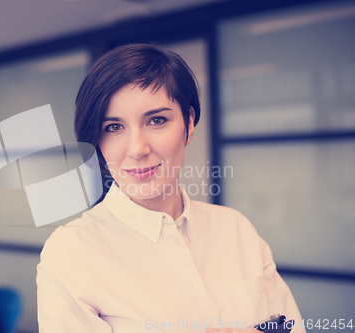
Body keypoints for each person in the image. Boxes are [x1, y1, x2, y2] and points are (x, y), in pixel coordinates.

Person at [37, 44, 306, 333]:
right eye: (113, 127)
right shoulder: (73, 252)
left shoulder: (236, 229)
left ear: (189, 123)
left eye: (156, 120)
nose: (137, 149)